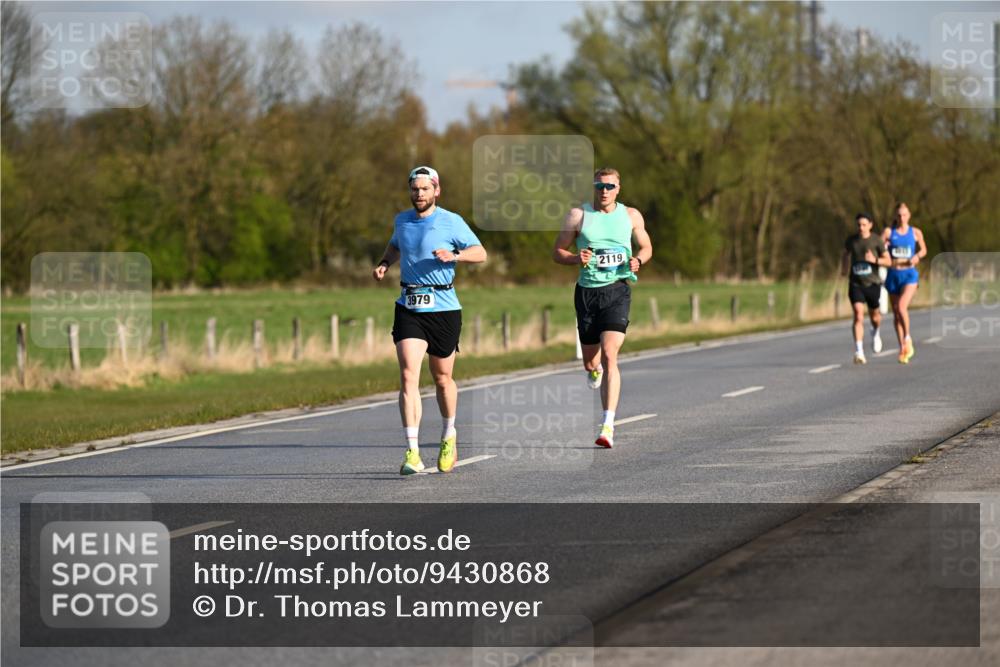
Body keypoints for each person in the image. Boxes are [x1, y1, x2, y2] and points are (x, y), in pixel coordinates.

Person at [373, 166, 487, 475]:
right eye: (415, 189)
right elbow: (396, 245)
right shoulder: (402, 220)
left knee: (442, 377)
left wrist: (455, 256)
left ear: (436, 190)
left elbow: (480, 253)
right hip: (409, 305)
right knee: (408, 374)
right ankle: (412, 452)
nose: (419, 194)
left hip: (444, 308)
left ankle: (449, 434)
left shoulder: (452, 221)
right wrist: (384, 263)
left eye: (425, 189)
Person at [552, 167, 653, 449]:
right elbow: (557, 252)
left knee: (610, 355)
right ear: (593, 188)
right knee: (591, 361)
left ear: (618, 189)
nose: (604, 191)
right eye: (599, 186)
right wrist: (576, 258)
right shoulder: (578, 216)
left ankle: (607, 425)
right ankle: (592, 369)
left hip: (617, 290)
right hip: (587, 293)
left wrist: (638, 261)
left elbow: (646, 247)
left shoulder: (631, 215)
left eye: (609, 186)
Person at [842, 213, 891, 364]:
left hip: (872, 283)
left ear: (870, 225)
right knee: (858, 315)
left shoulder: (876, 240)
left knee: (875, 317)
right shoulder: (851, 240)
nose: (861, 228)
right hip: (856, 283)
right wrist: (844, 269)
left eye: (864, 225)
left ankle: (875, 332)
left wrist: (874, 259)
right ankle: (859, 351)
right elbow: (845, 254)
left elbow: (888, 261)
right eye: (858, 225)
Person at [881, 202, 926, 364]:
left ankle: (907, 338)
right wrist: (884, 249)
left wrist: (917, 256)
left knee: (901, 307)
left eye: (904, 215)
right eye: (899, 215)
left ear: (909, 215)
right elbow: (878, 248)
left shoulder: (915, 232)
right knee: (896, 313)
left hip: (909, 275)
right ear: (896, 216)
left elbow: (923, 250)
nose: (902, 218)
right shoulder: (888, 232)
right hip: (893, 274)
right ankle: (902, 347)